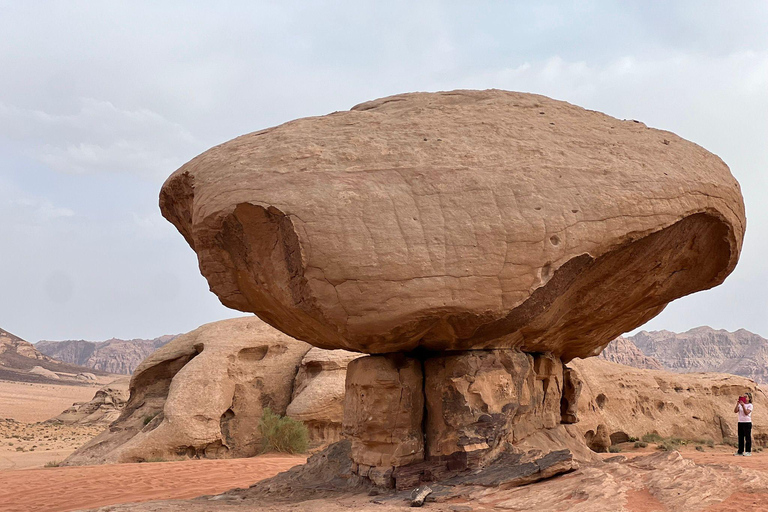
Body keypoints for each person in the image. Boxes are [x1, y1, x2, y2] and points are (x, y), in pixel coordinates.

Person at [734, 392, 753, 456]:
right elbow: (735, 411)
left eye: (746, 397)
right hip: (740, 422)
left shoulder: (750, 405)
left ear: (749, 398)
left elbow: (746, 413)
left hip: (747, 423)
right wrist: (737, 404)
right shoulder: (740, 404)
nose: (744, 398)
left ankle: (748, 451)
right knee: (740, 437)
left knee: (747, 437)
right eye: (743, 397)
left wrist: (743, 406)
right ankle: (740, 451)